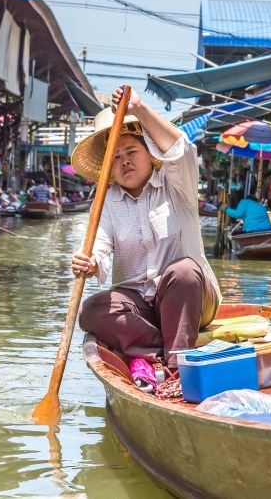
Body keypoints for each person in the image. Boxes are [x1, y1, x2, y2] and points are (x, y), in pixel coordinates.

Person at [72, 85, 221, 378]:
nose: (124, 160)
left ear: (150, 154)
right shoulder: (106, 201)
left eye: (131, 151)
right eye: (115, 157)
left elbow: (183, 149)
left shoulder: (175, 183)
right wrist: (90, 263)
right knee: (90, 310)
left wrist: (138, 108)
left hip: (190, 299)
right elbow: (98, 247)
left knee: (183, 271)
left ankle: (177, 370)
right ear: (108, 168)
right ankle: (160, 355)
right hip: (139, 309)